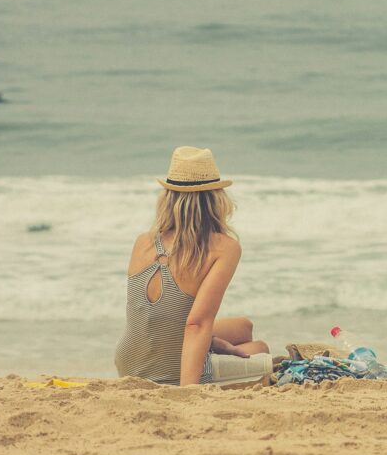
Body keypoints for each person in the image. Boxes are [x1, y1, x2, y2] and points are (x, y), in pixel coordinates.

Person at [114, 146, 270, 385]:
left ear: (168, 197)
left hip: (128, 362)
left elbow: (156, 316)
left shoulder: (143, 241)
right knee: (260, 348)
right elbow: (197, 324)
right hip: (171, 370)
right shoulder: (224, 247)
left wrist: (214, 342)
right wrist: (188, 392)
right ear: (216, 197)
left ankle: (210, 346)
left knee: (243, 327)